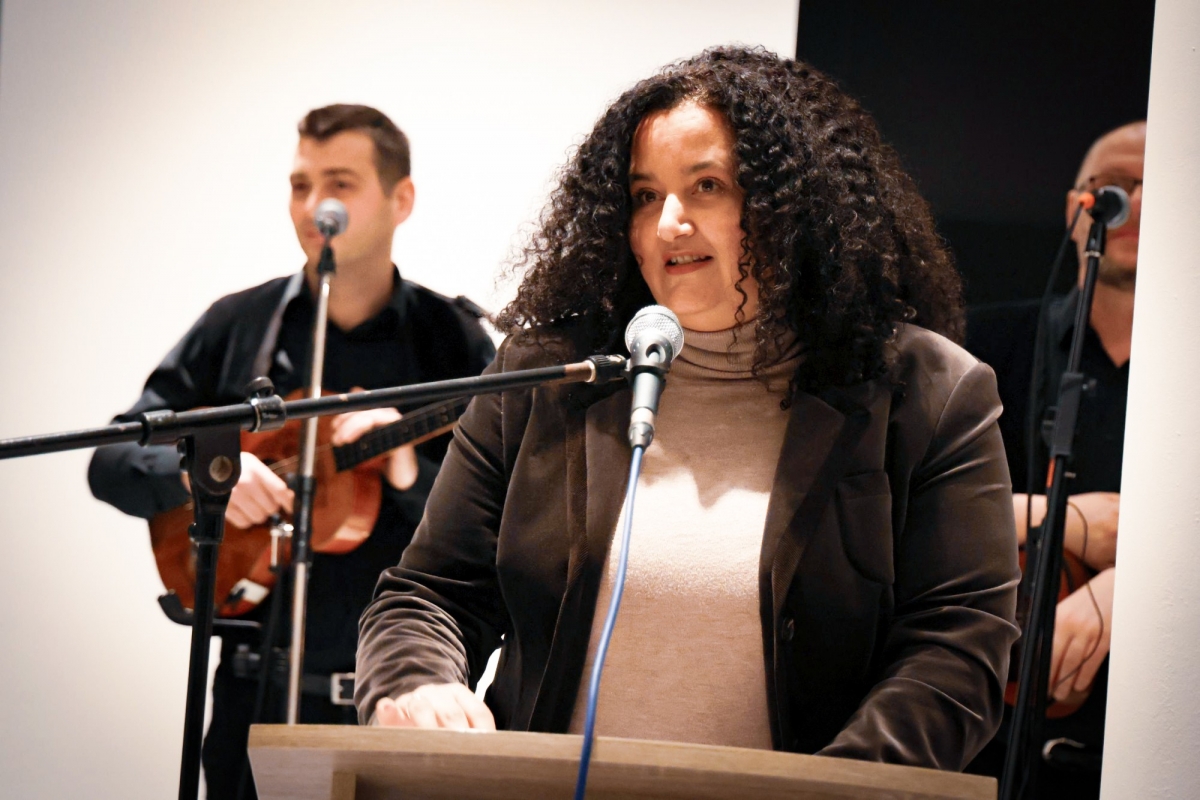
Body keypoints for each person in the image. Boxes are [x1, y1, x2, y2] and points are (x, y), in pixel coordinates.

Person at [356, 47, 1020, 769]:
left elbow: (957, 650)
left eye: (708, 186)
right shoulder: (545, 374)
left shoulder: (930, 393)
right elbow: (428, 594)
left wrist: (828, 789)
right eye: (645, 195)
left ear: (792, 204)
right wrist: (415, 683)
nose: (669, 223)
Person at [87, 104, 495, 799]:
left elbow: (498, 525)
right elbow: (112, 460)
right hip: (249, 706)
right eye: (301, 185)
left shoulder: (453, 340)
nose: (314, 207)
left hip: (396, 711)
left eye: (340, 184)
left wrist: (407, 473)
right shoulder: (238, 324)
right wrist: (206, 477)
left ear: (401, 200)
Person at [965, 121, 1144, 798]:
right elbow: (901, 507)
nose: (1135, 204)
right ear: (1077, 205)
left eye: (1159, 188)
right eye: (1115, 186)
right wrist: (1064, 519)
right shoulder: (980, 342)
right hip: (984, 722)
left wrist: (1135, 581)